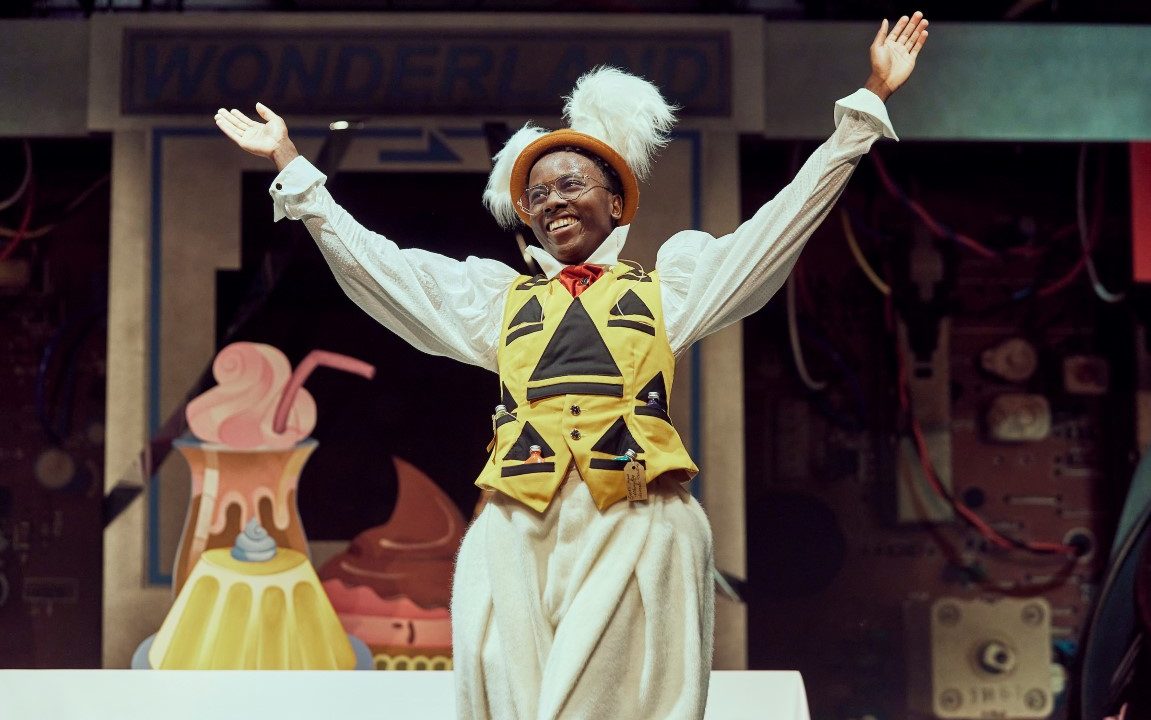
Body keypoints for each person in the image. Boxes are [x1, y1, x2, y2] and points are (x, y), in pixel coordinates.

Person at [215, 12, 928, 719]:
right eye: (537, 195)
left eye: (571, 185)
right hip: (518, 520)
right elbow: (382, 269)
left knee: (614, 699)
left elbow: (775, 227)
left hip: (634, 516)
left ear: (615, 202)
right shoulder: (496, 303)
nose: (552, 200)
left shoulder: (668, 289)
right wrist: (292, 168)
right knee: (510, 693)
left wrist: (864, 106)